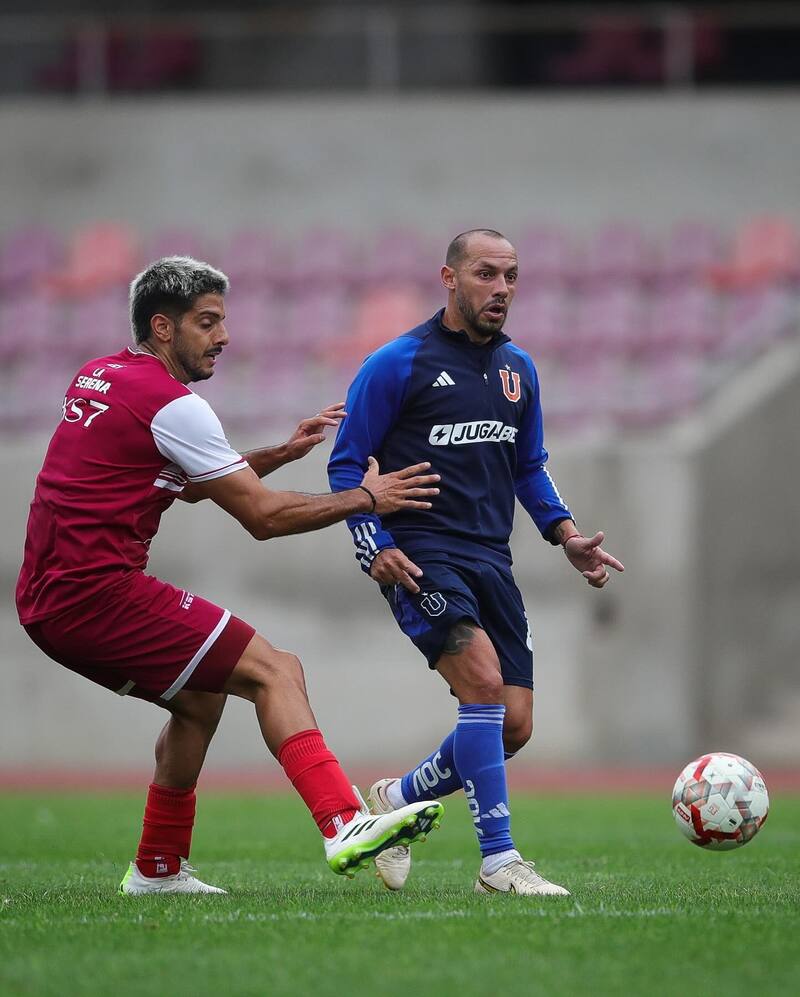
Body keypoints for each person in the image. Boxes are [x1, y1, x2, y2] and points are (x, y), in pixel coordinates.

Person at [15, 256, 445, 896]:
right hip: (95, 593)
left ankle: (157, 869)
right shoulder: (174, 405)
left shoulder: (101, 376)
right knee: (276, 669)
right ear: (163, 328)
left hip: (48, 599)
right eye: (207, 322)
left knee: (199, 699)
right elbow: (264, 519)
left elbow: (183, 481)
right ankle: (345, 820)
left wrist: (280, 452)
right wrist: (366, 498)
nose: (223, 336)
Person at [328, 229, 624, 897]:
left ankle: (396, 798)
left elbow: (529, 467)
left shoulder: (520, 368)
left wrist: (566, 535)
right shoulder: (397, 362)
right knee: (483, 684)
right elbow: (347, 464)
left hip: (493, 557)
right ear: (450, 277)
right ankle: (499, 860)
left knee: (513, 724)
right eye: (487, 273)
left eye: (512, 276)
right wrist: (373, 544)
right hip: (423, 553)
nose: (501, 288)